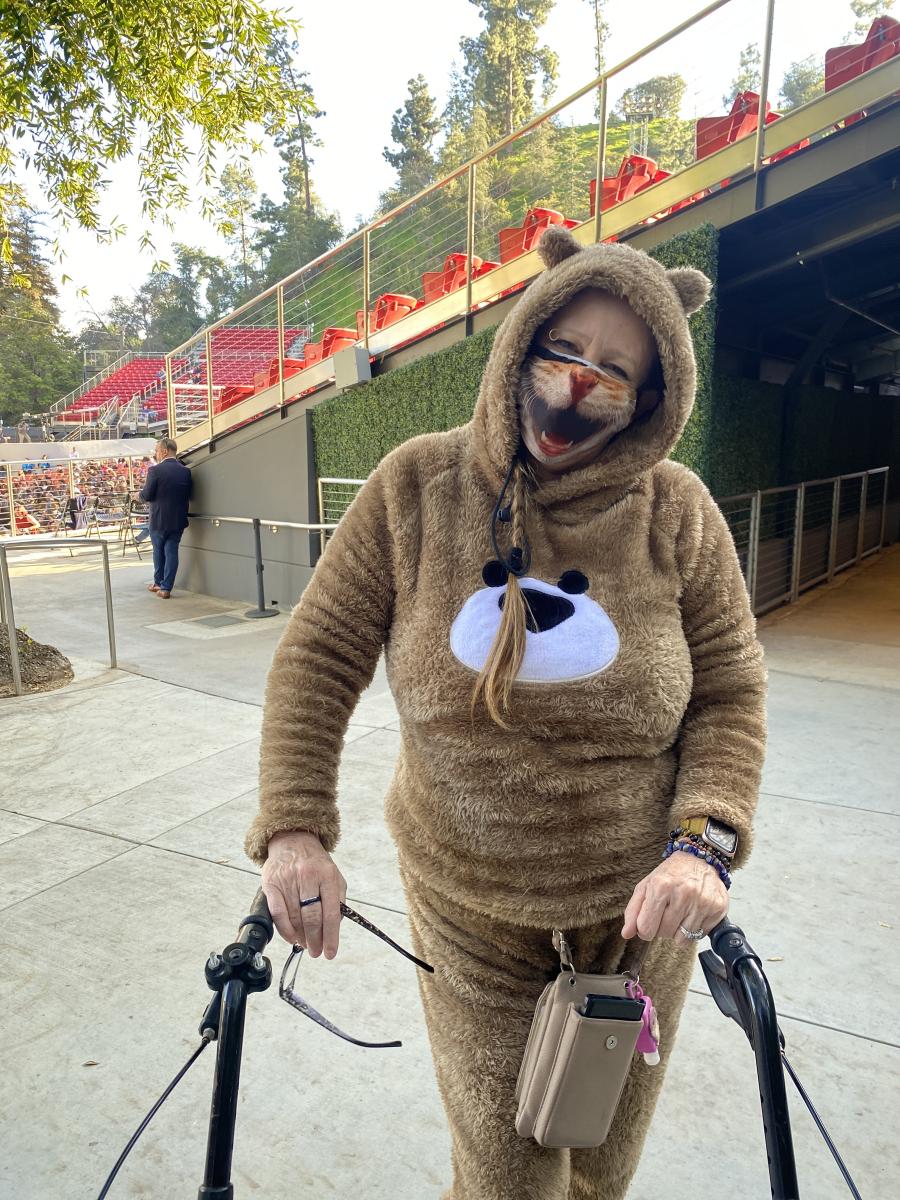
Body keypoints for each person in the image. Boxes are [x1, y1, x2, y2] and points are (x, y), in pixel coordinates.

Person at [245, 229, 768, 1200]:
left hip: (640, 919)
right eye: (564, 349)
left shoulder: (679, 513)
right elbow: (318, 655)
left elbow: (731, 687)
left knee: (600, 1177)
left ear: (653, 401)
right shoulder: (413, 488)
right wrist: (292, 830)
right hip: (471, 915)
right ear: (521, 343)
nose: (579, 383)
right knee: (508, 1183)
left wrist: (705, 843)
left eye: (617, 369)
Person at [139, 437, 192, 598]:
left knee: (158, 551)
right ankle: (166, 588)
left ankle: (158, 582)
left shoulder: (155, 470)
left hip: (159, 519)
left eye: (156, 451)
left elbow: (147, 495)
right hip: (178, 519)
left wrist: (138, 496)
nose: (156, 454)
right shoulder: (185, 471)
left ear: (164, 451)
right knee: (171, 552)